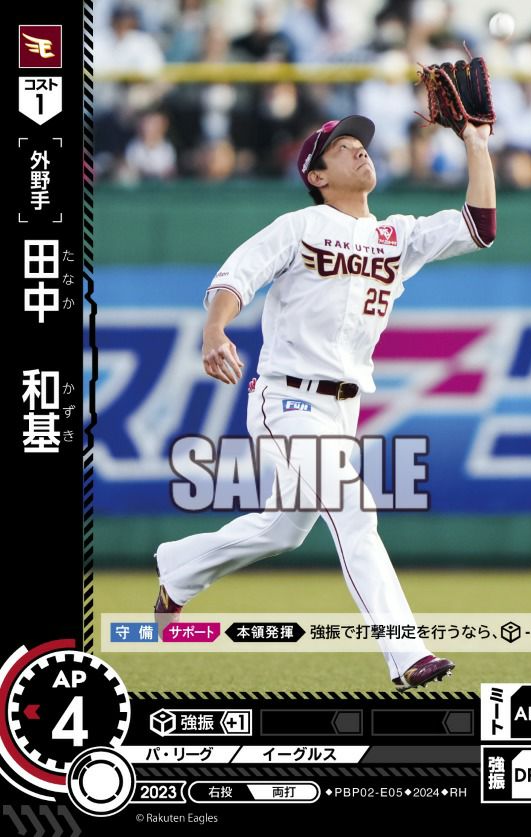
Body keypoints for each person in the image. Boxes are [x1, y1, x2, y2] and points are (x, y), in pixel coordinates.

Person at [154, 114, 496, 691]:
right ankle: (407, 653)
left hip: (343, 409)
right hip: (287, 398)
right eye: (344, 147)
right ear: (316, 175)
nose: (361, 152)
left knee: (283, 530)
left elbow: (479, 226)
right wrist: (215, 330)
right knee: (354, 509)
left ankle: (179, 569)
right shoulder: (301, 226)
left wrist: (476, 145)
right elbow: (236, 278)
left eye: (362, 145)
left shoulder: (397, 237)